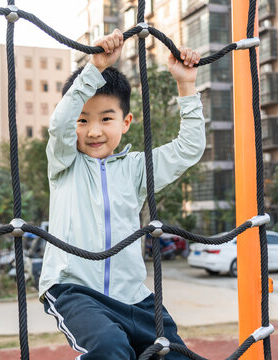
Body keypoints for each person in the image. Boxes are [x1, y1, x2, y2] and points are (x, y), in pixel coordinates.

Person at [39, 28, 205, 359]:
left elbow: (189, 148)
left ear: (126, 122)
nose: (94, 130)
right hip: (76, 290)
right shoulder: (64, 163)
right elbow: (59, 125)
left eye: (106, 118)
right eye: (83, 120)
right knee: (108, 348)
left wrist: (186, 85)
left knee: (176, 355)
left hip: (134, 297)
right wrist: (95, 67)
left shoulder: (136, 168)